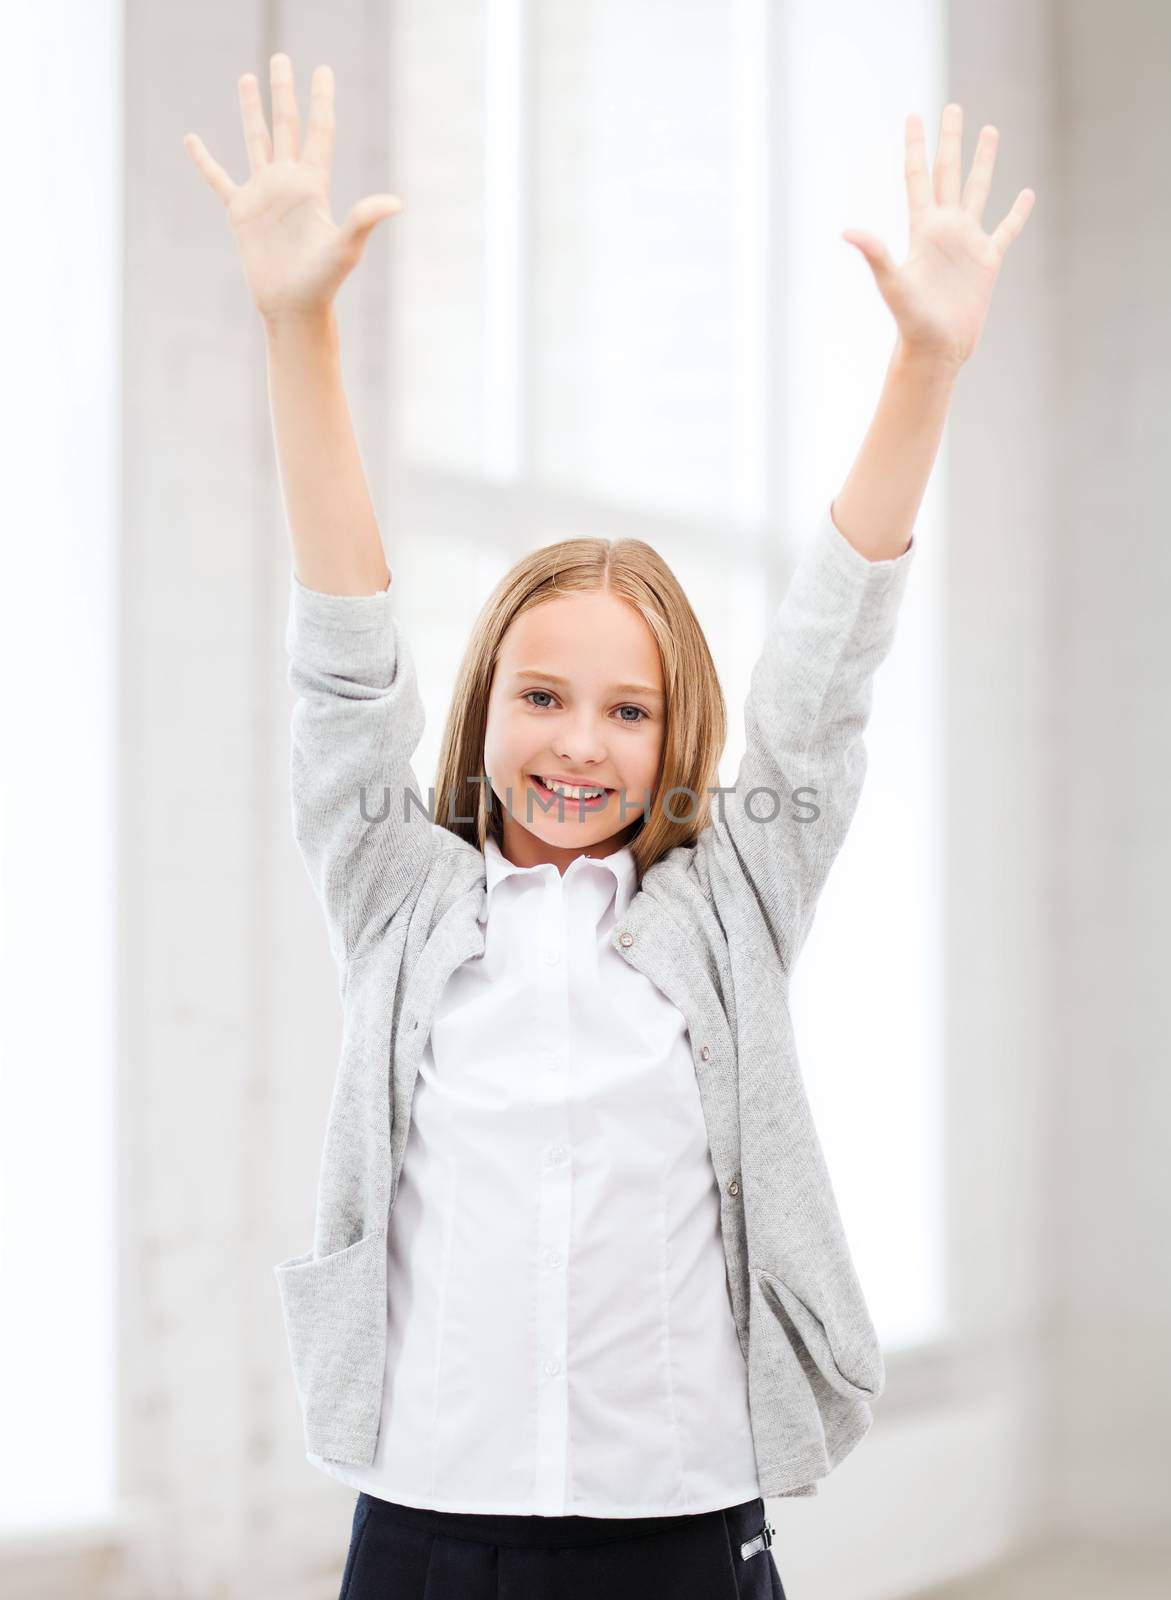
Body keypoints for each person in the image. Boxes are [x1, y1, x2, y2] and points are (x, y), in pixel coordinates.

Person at [184, 53, 1033, 1600]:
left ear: (675, 739)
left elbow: (825, 676)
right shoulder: (400, 893)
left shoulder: (731, 903)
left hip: (686, 1528)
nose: (579, 744)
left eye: (629, 712)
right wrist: (297, 324)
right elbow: (341, 658)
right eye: (542, 698)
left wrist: (927, 365)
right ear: (486, 707)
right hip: (433, 1524)